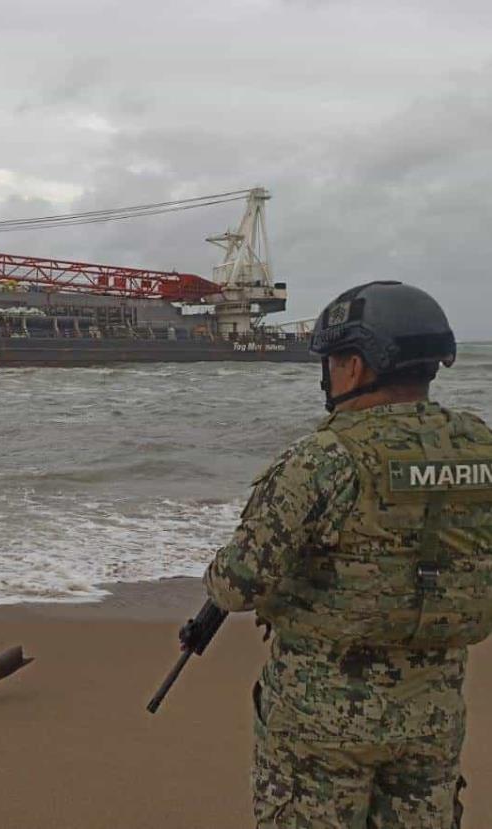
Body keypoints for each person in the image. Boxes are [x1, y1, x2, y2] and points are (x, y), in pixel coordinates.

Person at [203, 281, 492, 827]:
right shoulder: (482, 447)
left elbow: (236, 584)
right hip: (434, 713)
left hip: (323, 719)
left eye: (333, 360)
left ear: (355, 367)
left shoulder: (323, 459)